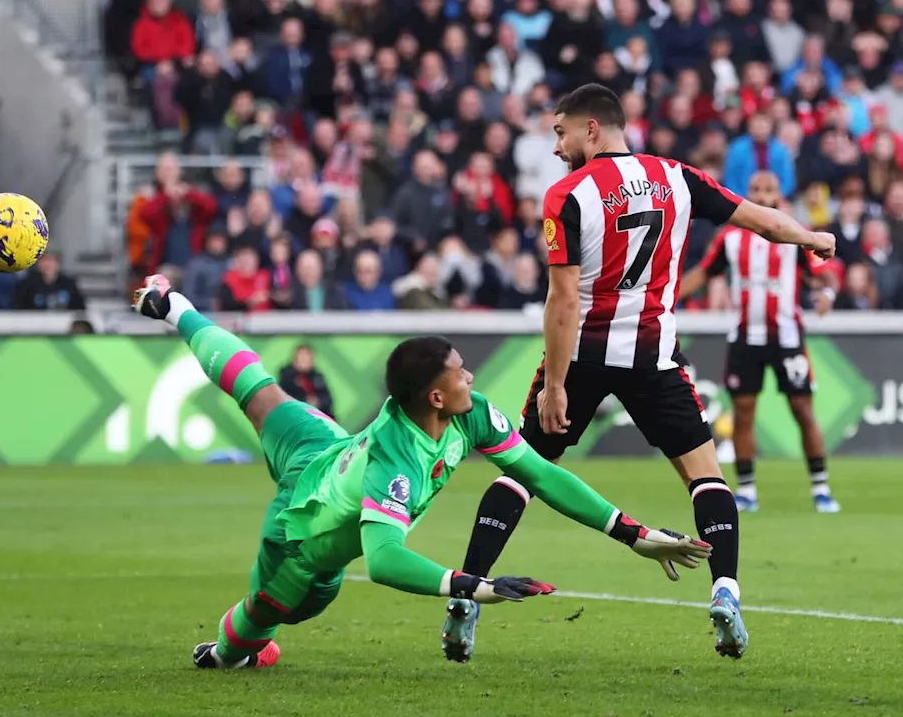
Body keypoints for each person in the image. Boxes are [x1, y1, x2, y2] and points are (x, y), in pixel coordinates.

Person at [130, 274, 712, 670]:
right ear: (435, 397)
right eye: (461, 373)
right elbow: (383, 560)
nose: (472, 379)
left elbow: (541, 473)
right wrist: (473, 586)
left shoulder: (471, 416)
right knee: (275, 616)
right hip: (298, 538)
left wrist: (631, 533)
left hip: (324, 447)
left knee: (256, 388)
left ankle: (173, 304)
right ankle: (227, 651)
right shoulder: (397, 459)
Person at [443, 83, 836, 663]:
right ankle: (726, 591)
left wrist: (554, 386)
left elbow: (563, 302)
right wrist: (812, 237)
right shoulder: (678, 176)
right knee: (705, 475)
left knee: (520, 469)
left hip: (581, 359)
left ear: (592, 129)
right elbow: (760, 221)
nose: (556, 147)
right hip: (652, 357)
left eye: (560, 132)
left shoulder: (567, 194)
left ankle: (469, 593)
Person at [676, 170, 842, 514]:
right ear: (747, 192)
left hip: (787, 338)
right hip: (745, 339)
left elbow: (823, 273)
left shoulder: (794, 233)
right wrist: (668, 298)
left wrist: (827, 292)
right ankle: (748, 490)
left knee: (802, 410)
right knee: (743, 413)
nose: (763, 196)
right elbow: (704, 273)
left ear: (779, 194)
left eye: (769, 190)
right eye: (756, 190)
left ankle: (821, 487)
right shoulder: (731, 238)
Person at [278, 344, 334, 418]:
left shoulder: (317, 376)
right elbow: (285, 398)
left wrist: (317, 401)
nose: (304, 361)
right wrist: (306, 401)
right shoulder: (286, 376)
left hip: (318, 417)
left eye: (307, 358)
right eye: (302, 358)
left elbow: (328, 398)